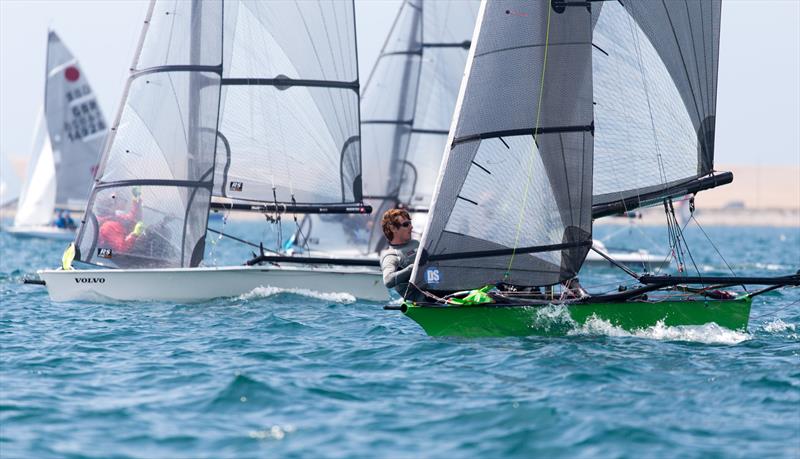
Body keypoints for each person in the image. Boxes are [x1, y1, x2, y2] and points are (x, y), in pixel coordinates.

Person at [379, 208, 419, 297]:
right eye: (406, 224)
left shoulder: (416, 243)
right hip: (423, 300)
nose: (411, 227)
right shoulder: (391, 255)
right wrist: (412, 268)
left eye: (410, 223)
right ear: (393, 228)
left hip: (441, 288)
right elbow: (388, 281)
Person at [96, 187, 145, 254]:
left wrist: (136, 199)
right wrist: (135, 234)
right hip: (112, 260)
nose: (124, 202)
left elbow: (131, 218)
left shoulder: (111, 217)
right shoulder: (109, 225)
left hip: (111, 256)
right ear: (111, 206)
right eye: (119, 200)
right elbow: (122, 249)